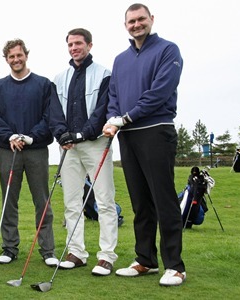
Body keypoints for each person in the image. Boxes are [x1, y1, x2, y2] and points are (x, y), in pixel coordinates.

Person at [102, 3, 186, 286]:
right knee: (140, 201)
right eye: (131, 21)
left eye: (141, 19)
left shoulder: (167, 50)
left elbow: (159, 92)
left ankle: (175, 266)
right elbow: (113, 93)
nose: (136, 25)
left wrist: (126, 117)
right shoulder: (120, 59)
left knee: (164, 200)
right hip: (127, 134)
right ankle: (145, 260)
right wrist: (114, 118)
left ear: (151, 19)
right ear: (125, 25)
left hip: (156, 131)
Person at [49, 28, 117, 276]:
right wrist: (62, 134)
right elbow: (54, 112)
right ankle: (76, 252)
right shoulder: (59, 77)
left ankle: (106, 256)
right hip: (68, 147)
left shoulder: (104, 74)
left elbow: (102, 109)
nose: (74, 48)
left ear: (89, 45)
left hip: (96, 143)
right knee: (71, 202)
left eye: (78, 43)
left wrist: (82, 134)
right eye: (70, 44)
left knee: (104, 200)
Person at [0, 39, 58, 266]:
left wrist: (30, 136)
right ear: (6, 59)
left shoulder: (44, 84)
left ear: (26, 55)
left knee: (42, 200)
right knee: (9, 200)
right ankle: (9, 248)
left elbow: (49, 116)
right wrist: (11, 136)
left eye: (19, 55)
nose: (16, 60)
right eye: (11, 57)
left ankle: (48, 250)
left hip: (36, 149)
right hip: (9, 150)